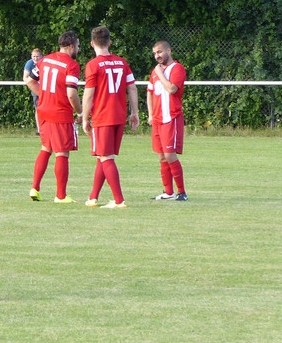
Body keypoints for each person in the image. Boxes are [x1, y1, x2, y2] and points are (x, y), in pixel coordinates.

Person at [81, 26, 138, 209]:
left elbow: (89, 95)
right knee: (103, 157)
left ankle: (119, 200)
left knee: (106, 158)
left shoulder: (93, 65)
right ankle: (93, 197)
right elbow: (132, 88)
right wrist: (134, 113)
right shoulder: (122, 62)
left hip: (102, 116)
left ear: (92, 44)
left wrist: (84, 118)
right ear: (109, 42)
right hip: (119, 115)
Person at [26, 32, 81, 203]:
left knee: (46, 148)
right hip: (60, 113)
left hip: (43, 111)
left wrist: (43, 97)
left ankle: (35, 188)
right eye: (78, 45)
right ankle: (61, 195)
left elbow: (29, 80)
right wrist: (80, 112)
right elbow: (71, 94)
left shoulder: (46, 59)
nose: (78, 48)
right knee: (62, 153)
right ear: (71, 46)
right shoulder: (71, 65)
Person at [147, 40, 188, 201]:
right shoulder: (155, 71)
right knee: (161, 157)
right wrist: (150, 114)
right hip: (157, 119)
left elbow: (171, 89)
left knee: (170, 155)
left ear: (169, 51)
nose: (157, 55)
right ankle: (168, 192)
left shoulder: (177, 69)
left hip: (171, 117)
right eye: (155, 53)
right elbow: (150, 92)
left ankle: (182, 192)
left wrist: (160, 74)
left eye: (160, 52)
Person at [23, 47, 43, 134]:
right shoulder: (29, 63)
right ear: (31, 56)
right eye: (34, 56)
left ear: (41, 56)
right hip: (35, 87)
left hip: (45, 88)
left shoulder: (45, 62)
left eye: (37, 56)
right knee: (38, 108)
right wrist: (32, 84)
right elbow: (25, 77)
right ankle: (39, 129)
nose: (35, 58)